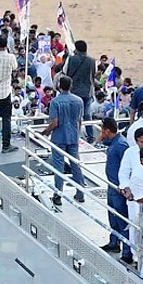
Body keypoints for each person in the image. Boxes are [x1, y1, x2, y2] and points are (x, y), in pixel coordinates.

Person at [46, 74, 86, 205]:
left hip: (59, 137)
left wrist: (44, 132)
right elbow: (80, 121)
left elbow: (55, 122)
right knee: (76, 165)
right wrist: (77, 134)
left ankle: (58, 195)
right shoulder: (78, 100)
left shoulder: (55, 102)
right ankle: (80, 193)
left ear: (58, 86)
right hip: (73, 136)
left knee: (59, 167)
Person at [100, 118, 133, 261]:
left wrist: (124, 186)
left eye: (103, 131)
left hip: (118, 189)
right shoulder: (114, 142)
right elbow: (101, 141)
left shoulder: (121, 145)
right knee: (113, 218)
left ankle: (127, 251)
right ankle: (114, 241)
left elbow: (127, 168)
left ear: (107, 130)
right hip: (112, 186)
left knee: (122, 220)